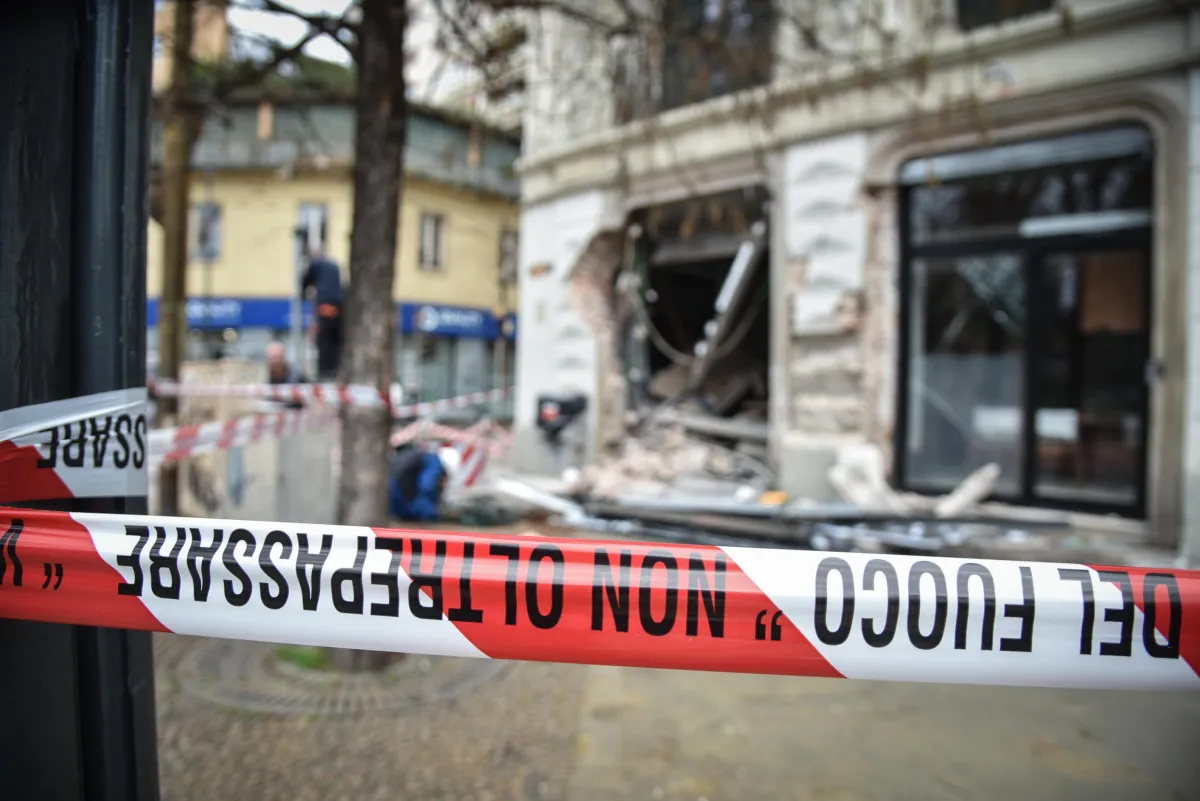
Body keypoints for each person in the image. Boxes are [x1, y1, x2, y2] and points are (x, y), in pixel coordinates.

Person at [387, 444, 461, 522]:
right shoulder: (435, 462)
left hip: (390, 490)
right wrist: (435, 512)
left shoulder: (423, 456)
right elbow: (426, 486)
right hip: (397, 491)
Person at [300, 250, 344, 380]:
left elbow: (306, 279)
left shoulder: (316, 264)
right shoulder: (334, 266)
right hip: (338, 309)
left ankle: (325, 371)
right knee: (334, 341)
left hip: (325, 308)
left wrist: (303, 293)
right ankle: (334, 367)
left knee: (323, 341)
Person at [265, 341, 307, 409]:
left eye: (278, 357)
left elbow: (307, 395)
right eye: (273, 358)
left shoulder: (296, 374)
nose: (276, 361)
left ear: (284, 357)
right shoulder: (263, 376)